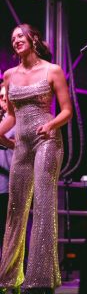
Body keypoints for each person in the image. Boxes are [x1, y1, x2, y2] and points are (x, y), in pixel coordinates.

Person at [0, 24, 73, 294]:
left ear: (33, 39)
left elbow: (67, 111)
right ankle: (8, 277)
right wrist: (2, 136)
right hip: (23, 145)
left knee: (43, 205)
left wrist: (51, 125)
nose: (16, 40)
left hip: (47, 141)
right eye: (12, 38)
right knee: (15, 208)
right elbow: (11, 116)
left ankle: (40, 279)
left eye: (21, 36)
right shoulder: (9, 75)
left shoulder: (52, 70)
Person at [0, 82, 15, 257]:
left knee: (10, 232)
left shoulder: (17, 121)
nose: (3, 100)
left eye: (6, 96)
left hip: (10, 186)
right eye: (1, 96)